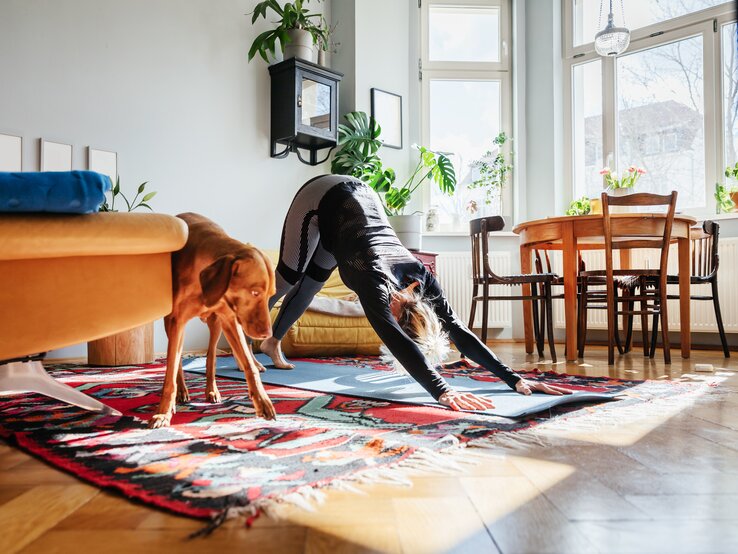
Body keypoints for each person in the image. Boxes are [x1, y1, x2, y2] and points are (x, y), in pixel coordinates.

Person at [260, 175, 571, 411]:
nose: (388, 317)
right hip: (324, 196)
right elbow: (397, 342)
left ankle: (272, 342)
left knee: (312, 283)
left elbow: (459, 331)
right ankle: (246, 324)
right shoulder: (382, 282)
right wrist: (442, 390)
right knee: (288, 279)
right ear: (406, 312)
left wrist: (513, 378)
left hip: (347, 224)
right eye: (394, 319)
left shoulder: (422, 283)